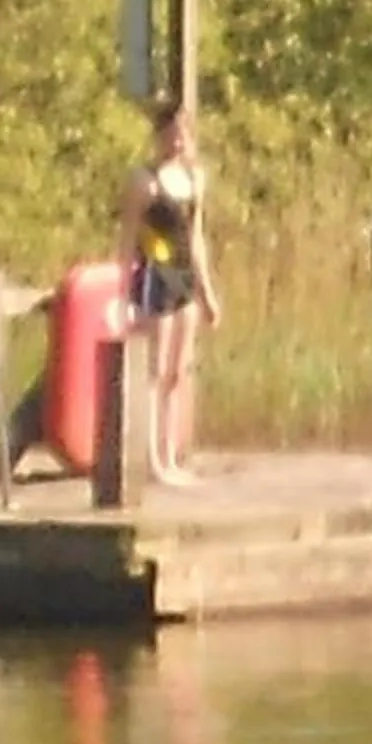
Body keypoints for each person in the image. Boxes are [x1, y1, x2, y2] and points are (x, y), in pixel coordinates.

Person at [115, 96, 222, 485]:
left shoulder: (194, 179)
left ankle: (170, 452)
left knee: (178, 371)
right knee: (155, 370)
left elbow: (196, 238)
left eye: (183, 135)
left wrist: (207, 293)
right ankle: (152, 459)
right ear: (159, 135)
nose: (177, 142)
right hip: (153, 274)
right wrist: (122, 295)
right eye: (171, 135)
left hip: (183, 277)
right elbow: (127, 239)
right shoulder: (144, 180)